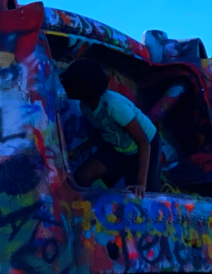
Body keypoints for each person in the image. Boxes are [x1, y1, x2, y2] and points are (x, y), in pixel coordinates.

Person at [61, 59, 161, 198]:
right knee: (81, 178)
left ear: (80, 89)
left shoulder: (115, 107)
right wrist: (79, 149)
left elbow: (143, 142)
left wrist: (141, 184)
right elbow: (103, 132)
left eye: (68, 84)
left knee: (140, 197)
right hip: (117, 147)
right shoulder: (85, 106)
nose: (64, 85)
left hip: (144, 147)